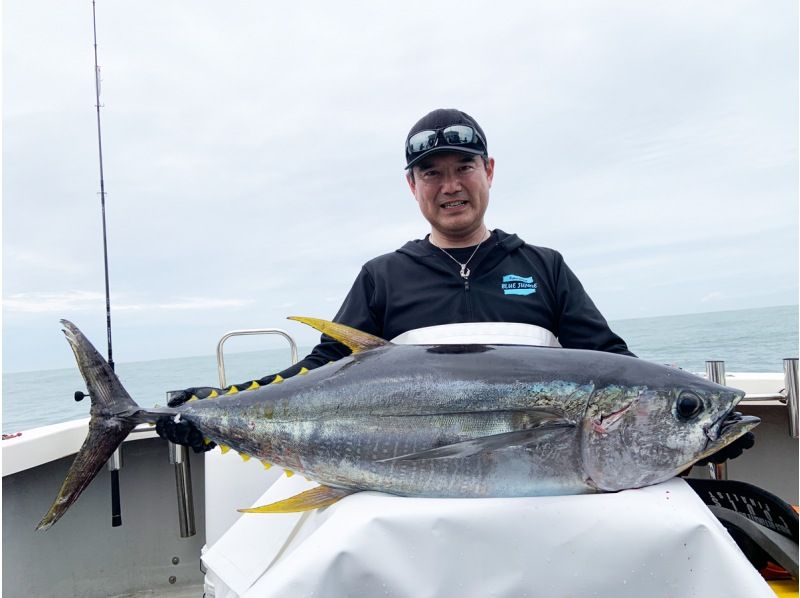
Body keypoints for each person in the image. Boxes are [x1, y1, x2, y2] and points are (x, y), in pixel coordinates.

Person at [157, 108, 752, 464]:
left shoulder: (544, 266)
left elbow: (614, 368)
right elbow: (322, 371)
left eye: (463, 167)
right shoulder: (384, 276)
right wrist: (218, 406)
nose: (450, 186)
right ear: (411, 185)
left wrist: (688, 426)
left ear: (488, 171)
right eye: (431, 173)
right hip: (406, 478)